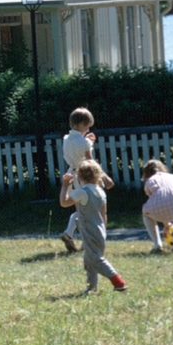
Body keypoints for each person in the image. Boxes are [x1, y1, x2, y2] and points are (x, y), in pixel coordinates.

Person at [59, 159, 127, 295]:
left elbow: (64, 203)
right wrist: (103, 230)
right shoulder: (101, 192)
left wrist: (65, 186)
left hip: (89, 232)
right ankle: (91, 287)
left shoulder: (82, 192)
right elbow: (103, 214)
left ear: (79, 176)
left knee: (96, 260)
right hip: (99, 230)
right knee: (89, 261)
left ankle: (118, 282)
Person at [58, 108, 114, 253]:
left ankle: (69, 232)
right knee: (96, 211)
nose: (89, 129)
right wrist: (105, 177)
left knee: (80, 209)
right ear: (82, 124)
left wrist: (87, 140)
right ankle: (93, 240)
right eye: (87, 126)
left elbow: (78, 147)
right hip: (86, 176)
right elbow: (90, 160)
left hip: (72, 175)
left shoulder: (66, 139)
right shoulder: (84, 143)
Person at [140, 159, 173, 253]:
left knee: (146, 214)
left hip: (158, 205)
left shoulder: (149, 181)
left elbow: (158, 203)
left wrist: (166, 225)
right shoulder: (172, 176)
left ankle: (157, 244)